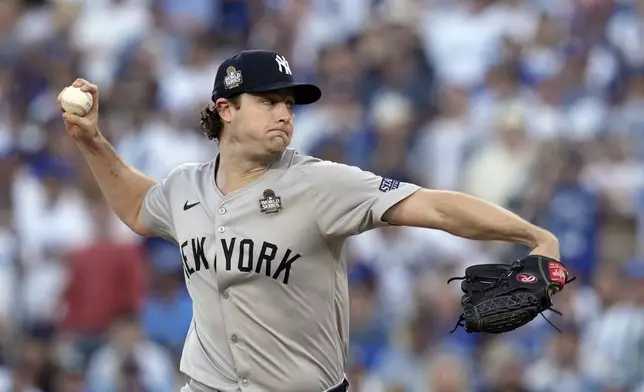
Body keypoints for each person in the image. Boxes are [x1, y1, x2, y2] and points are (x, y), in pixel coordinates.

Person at [58, 49, 561, 392]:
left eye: (288, 103)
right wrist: (91, 141)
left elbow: (433, 206)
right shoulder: (186, 187)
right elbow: (138, 209)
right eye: (269, 101)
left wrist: (532, 234)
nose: (284, 113)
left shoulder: (320, 183)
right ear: (225, 109)